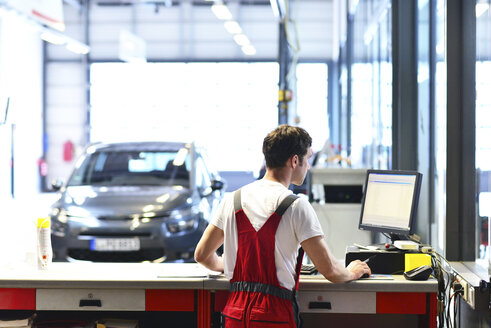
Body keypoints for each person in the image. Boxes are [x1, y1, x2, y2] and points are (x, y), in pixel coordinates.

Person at [194, 125, 370, 328]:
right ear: (295, 160)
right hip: (274, 317)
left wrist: (229, 265)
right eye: (308, 159)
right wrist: (353, 271)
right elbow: (330, 270)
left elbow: (202, 255)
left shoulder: (232, 200)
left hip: (234, 316)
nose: (309, 166)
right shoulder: (296, 205)